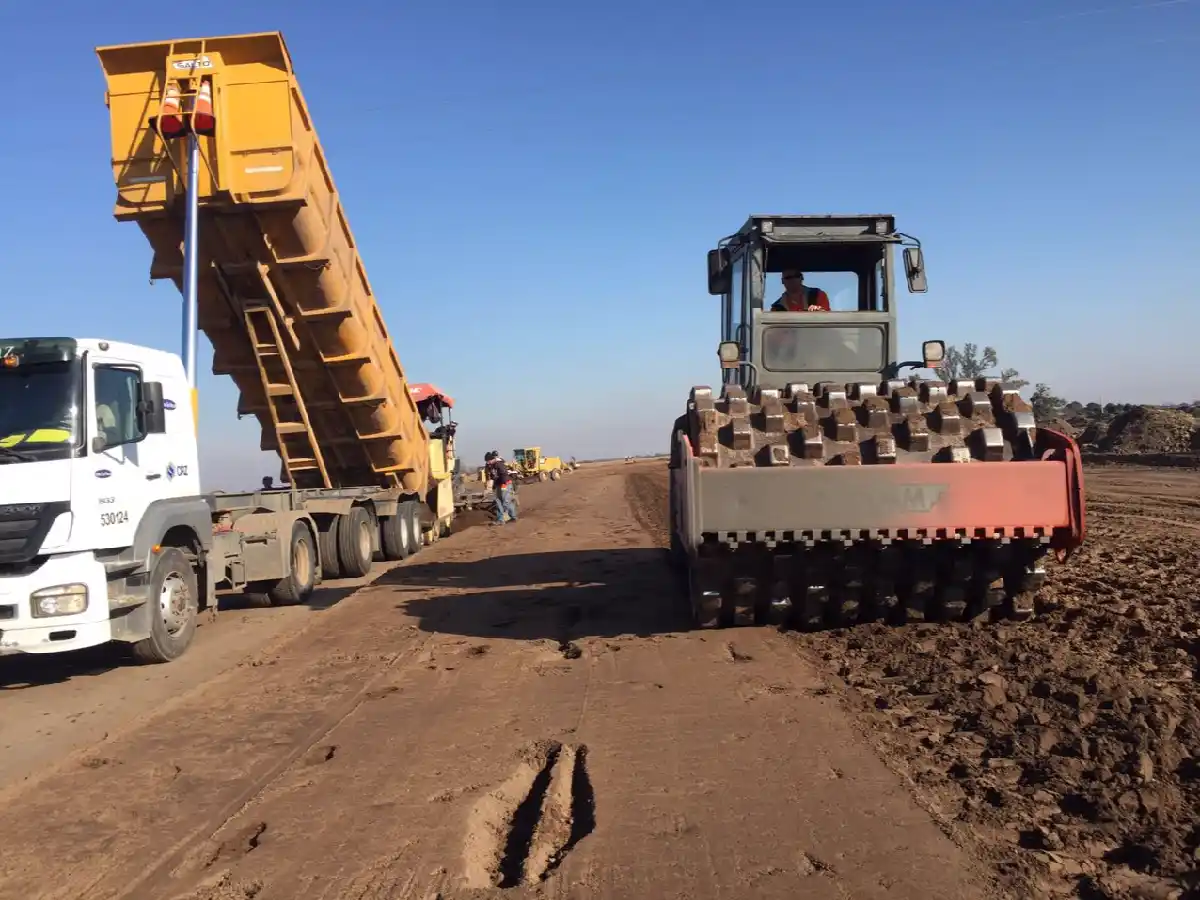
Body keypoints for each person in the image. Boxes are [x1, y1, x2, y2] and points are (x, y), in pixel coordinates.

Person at [484, 451, 518, 525]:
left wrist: (503, 485)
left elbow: (504, 474)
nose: (488, 462)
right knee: (498, 501)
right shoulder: (490, 466)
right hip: (498, 485)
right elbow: (490, 475)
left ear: (492, 459)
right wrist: (493, 486)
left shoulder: (499, 464)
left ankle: (513, 517)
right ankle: (500, 520)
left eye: (488, 461)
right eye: (487, 461)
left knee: (505, 502)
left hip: (505, 484)